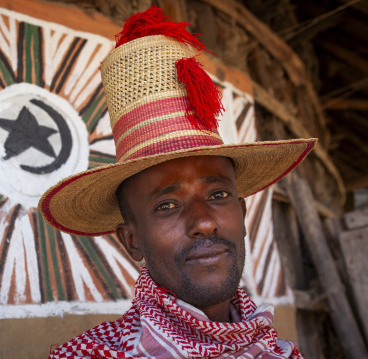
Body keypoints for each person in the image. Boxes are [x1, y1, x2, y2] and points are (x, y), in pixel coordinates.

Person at [39, 6, 316, 358]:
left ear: (243, 212)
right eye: (167, 205)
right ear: (132, 240)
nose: (203, 221)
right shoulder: (93, 355)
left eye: (218, 194)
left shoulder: (280, 352)